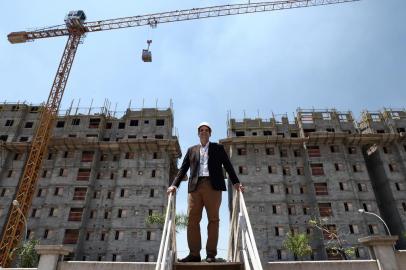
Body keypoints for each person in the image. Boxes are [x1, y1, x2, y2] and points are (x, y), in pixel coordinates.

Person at [167, 122, 244, 263]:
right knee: (192, 220)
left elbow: (228, 165)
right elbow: (183, 170)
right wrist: (174, 186)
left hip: (213, 186)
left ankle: (211, 254)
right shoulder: (191, 150)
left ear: (210, 133)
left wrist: (236, 182)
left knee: (213, 220)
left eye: (206, 130)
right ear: (198, 133)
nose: (203, 132)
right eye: (201, 130)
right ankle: (194, 254)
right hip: (195, 187)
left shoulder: (218, 148)